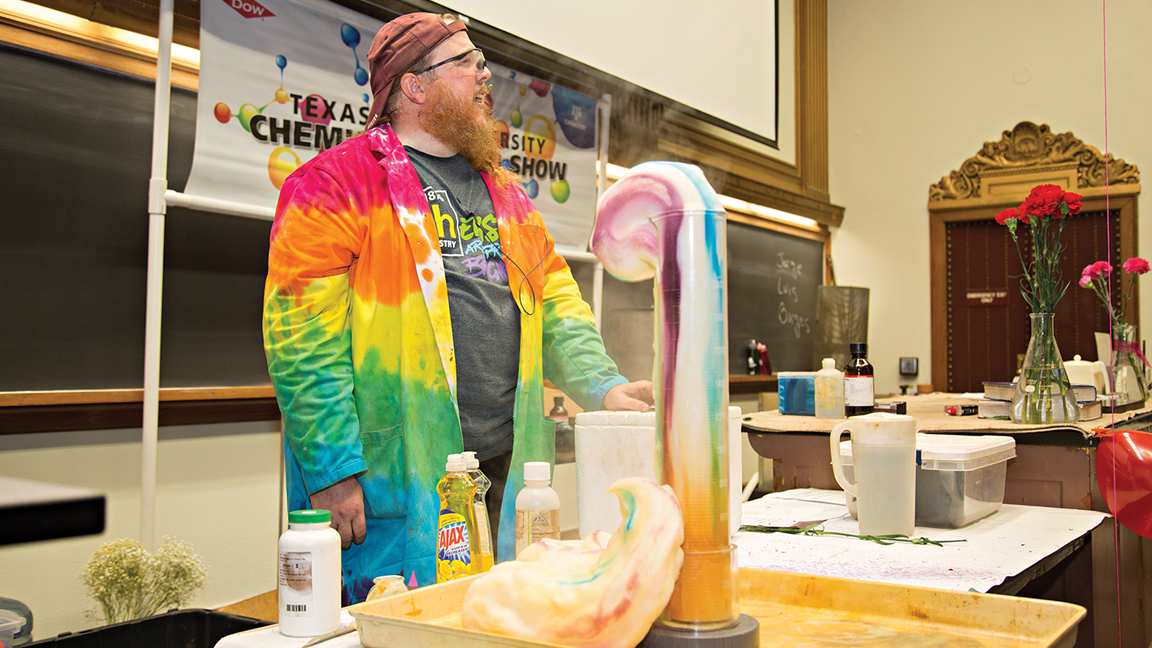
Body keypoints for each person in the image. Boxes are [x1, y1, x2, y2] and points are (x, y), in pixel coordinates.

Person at [262, 11, 652, 604]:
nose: (484, 74)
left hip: (505, 463)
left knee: (496, 619)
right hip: (395, 474)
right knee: (405, 623)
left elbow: (556, 302)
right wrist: (332, 469)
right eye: (468, 63)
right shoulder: (333, 185)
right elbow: (302, 344)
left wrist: (603, 386)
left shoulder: (508, 194)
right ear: (414, 86)